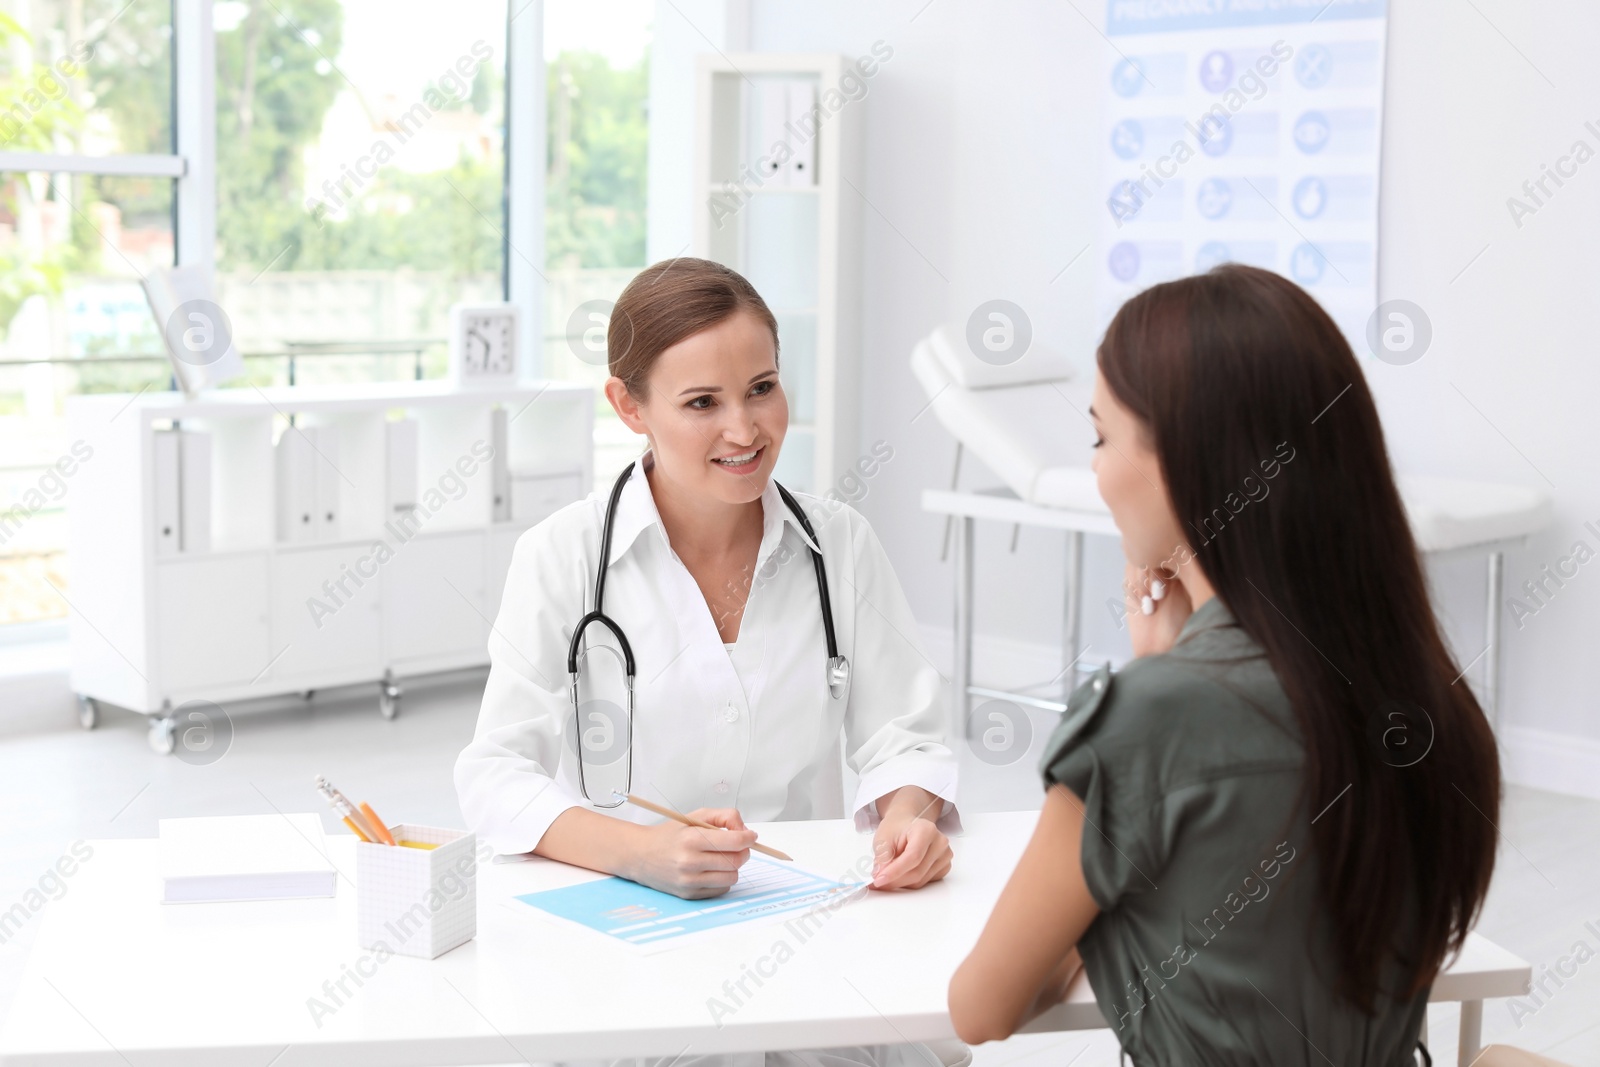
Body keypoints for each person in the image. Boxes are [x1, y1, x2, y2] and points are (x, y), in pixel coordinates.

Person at [948, 264, 1501, 1065]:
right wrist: (1175, 663)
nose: (1097, 471)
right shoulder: (1427, 701)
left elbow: (981, 1006)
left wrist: (1161, 684)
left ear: (1183, 457)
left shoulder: (1146, 718)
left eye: (1102, 437)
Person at [456, 255, 957, 897]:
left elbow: (907, 736)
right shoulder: (562, 555)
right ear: (628, 406)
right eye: (702, 402)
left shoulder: (840, 545)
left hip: (803, 910)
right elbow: (497, 774)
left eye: (761, 388)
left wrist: (909, 817)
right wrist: (640, 853)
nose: (745, 429)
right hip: (624, 909)